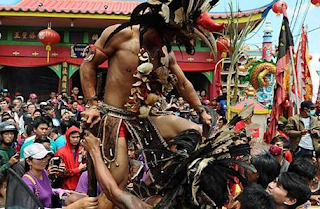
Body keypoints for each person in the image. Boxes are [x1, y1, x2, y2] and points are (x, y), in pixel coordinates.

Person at [80, 3, 216, 206]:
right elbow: (87, 66)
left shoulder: (165, 52)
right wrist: (91, 104)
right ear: (157, 24)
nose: (171, 40)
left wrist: (201, 110)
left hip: (145, 117)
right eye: (171, 34)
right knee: (117, 182)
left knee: (192, 131)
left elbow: (183, 83)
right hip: (115, 117)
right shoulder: (121, 35)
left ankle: (156, 184)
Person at [55, 126, 86, 190]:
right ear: (68, 138)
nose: (75, 139)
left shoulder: (82, 150)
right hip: (66, 188)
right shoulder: (61, 152)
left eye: (77, 137)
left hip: (80, 187)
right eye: (73, 137)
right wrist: (78, 169)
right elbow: (60, 173)